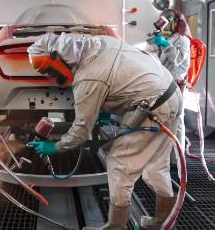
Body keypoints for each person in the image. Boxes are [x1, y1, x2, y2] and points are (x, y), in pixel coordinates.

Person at [27, 31, 183, 229]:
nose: (50, 77)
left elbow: (81, 131)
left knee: (118, 163)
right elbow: (118, 76)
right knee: (156, 166)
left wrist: (55, 147)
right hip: (170, 95)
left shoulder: (87, 78)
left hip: (153, 107)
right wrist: (104, 109)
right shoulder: (98, 43)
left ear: (58, 56)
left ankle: (115, 227)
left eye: (49, 70)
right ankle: (164, 222)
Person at [152, 9, 191, 167]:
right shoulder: (171, 38)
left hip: (176, 84)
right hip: (165, 84)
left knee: (177, 121)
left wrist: (165, 44)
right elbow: (163, 60)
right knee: (164, 120)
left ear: (175, 23)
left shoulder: (182, 40)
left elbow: (177, 59)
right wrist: (159, 44)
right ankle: (166, 158)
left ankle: (177, 160)